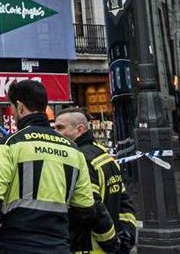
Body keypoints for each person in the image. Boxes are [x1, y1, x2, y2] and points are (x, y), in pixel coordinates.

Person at [0, 79, 114, 254]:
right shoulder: (73, 151)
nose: (11, 113)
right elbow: (86, 208)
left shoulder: (8, 146)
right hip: (58, 245)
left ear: (19, 107)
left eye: (11, 107)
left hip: (16, 244)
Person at [51, 109, 136, 254]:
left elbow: (92, 209)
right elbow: (124, 203)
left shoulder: (80, 159)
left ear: (80, 129)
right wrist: (127, 234)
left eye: (60, 128)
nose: (55, 133)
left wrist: (111, 242)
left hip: (88, 246)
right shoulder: (104, 155)